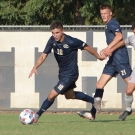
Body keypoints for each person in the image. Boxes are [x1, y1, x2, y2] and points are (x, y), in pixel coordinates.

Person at [28, 21, 106, 123]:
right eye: (53, 33)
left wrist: (99, 57)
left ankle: (37, 115)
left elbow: (87, 47)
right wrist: (35, 66)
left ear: (62, 31)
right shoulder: (52, 40)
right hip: (62, 74)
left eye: (57, 32)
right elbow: (43, 55)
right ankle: (94, 101)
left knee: (52, 95)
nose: (55, 35)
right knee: (70, 95)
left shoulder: (71, 41)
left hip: (71, 74)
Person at [77, 4, 132, 120]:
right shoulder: (108, 25)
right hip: (113, 61)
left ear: (110, 13)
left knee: (131, 85)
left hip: (121, 60)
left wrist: (108, 48)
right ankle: (92, 113)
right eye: (101, 14)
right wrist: (110, 50)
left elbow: (119, 36)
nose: (103, 16)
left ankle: (127, 109)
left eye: (105, 13)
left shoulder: (113, 23)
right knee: (99, 85)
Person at [103, 22, 135, 121]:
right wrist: (110, 50)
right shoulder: (131, 38)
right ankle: (128, 110)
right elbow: (122, 42)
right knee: (128, 91)